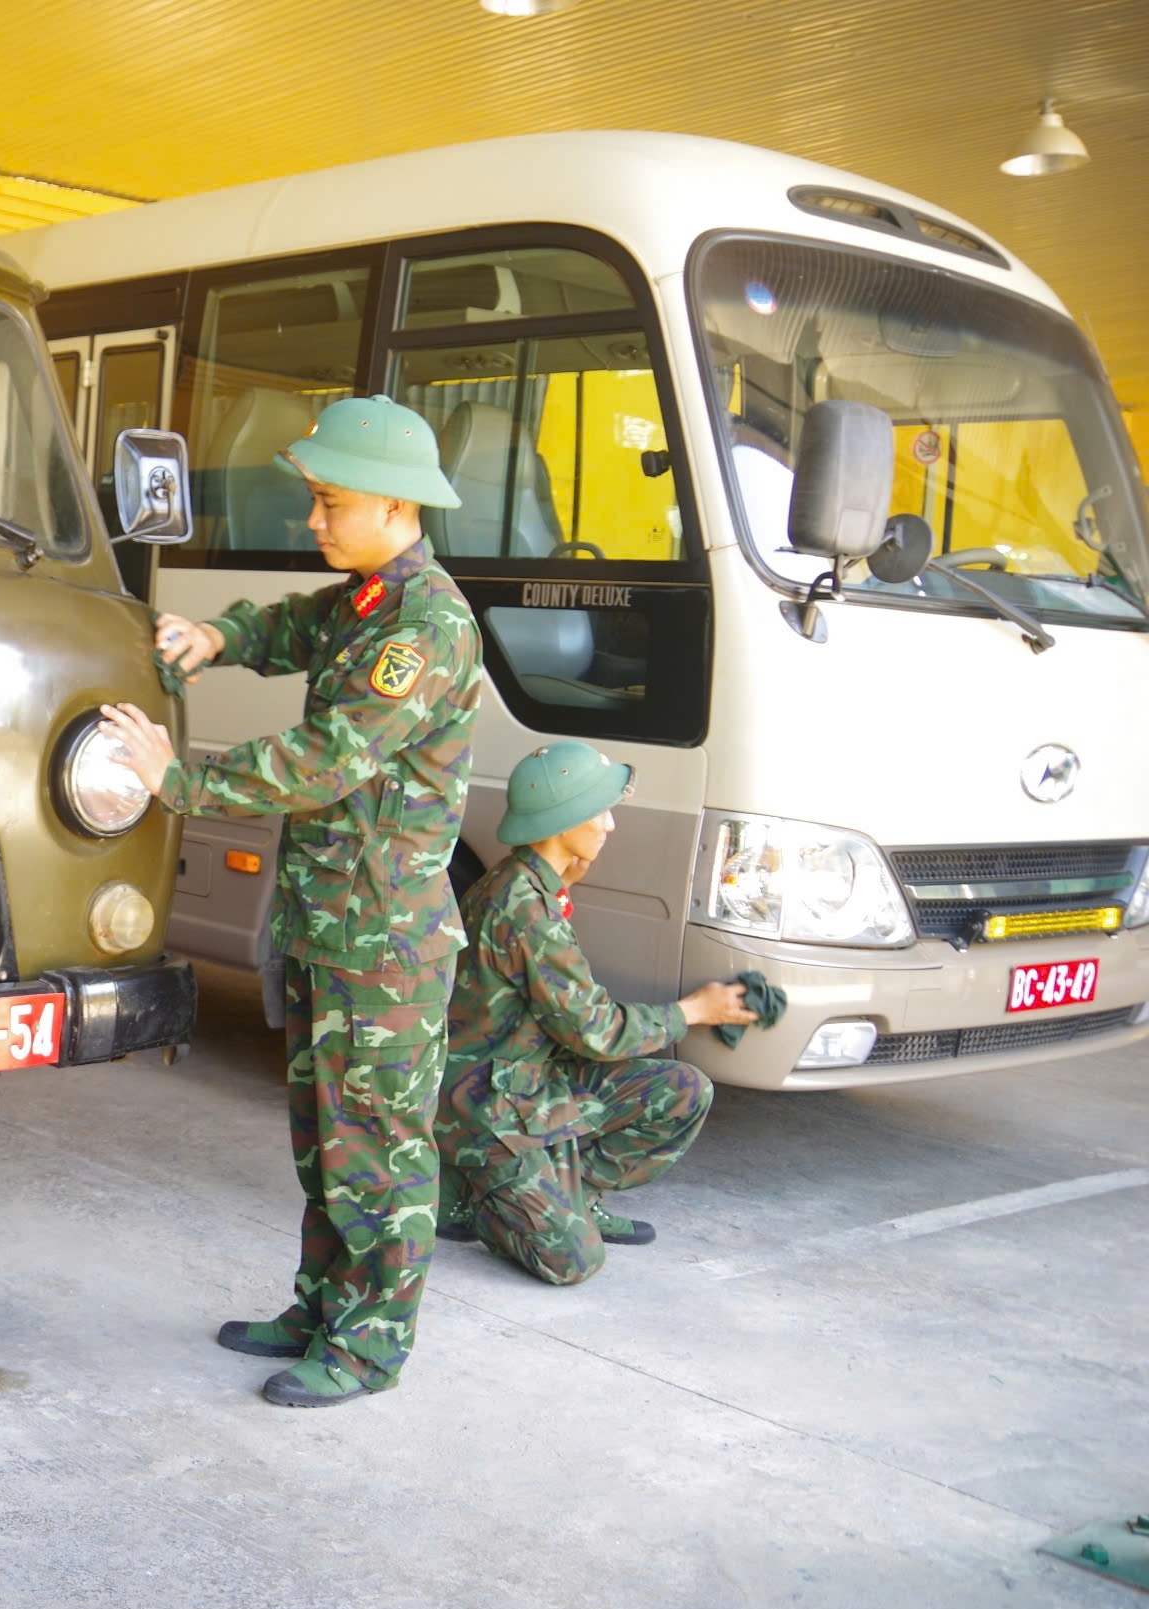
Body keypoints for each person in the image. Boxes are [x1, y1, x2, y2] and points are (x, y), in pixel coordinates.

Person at [98, 394, 477, 1408]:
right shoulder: (364, 600)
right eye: (314, 500)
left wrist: (180, 779)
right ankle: (321, 1309)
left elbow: (325, 759)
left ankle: (370, 1347)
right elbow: (288, 624)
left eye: (331, 503)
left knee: (378, 1154)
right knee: (325, 1143)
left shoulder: (424, 629)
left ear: (396, 506)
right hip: (329, 925)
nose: (314, 521)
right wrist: (215, 636)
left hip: (382, 946)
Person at [432, 740, 757, 1283]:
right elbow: (596, 1032)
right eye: (599, 811)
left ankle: (574, 1194)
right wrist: (695, 1010)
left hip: (532, 1078)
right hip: (492, 1104)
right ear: (564, 821)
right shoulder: (525, 909)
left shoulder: (527, 882)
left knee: (684, 1090)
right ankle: (477, 1196)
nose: (610, 824)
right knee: (570, 1260)